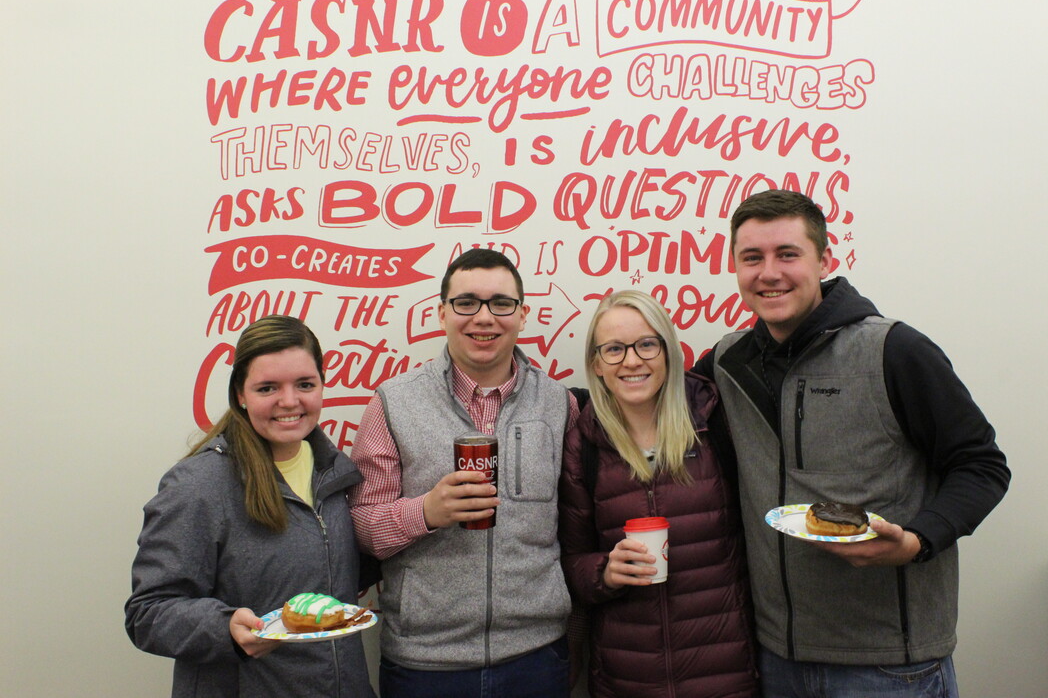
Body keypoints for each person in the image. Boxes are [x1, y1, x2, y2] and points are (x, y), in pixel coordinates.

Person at [692, 189, 1011, 697]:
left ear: (825, 259)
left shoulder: (894, 350)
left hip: (890, 667)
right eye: (752, 257)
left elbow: (982, 465)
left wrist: (916, 540)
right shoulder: (727, 363)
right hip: (776, 656)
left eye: (788, 254)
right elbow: (654, 405)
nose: (768, 272)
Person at [348, 248, 577, 698]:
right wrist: (426, 512)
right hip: (424, 663)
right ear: (442, 313)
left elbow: (575, 524)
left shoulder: (559, 403)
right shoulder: (392, 403)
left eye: (501, 303)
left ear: (523, 314)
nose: (484, 318)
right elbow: (361, 527)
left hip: (537, 655)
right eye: (466, 303)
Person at [125, 315, 375, 698]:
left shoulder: (337, 473)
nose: (289, 401)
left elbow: (328, 577)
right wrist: (223, 627)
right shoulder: (198, 485)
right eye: (267, 388)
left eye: (305, 385)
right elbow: (148, 613)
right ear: (240, 394)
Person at [558, 290, 759, 697]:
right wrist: (604, 572)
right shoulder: (584, 443)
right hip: (626, 678)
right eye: (614, 349)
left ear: (669, 351)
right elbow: (571, 562)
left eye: (647, 344)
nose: (632, 361)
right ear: (596, 364)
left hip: (726, 672)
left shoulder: (713, 423)